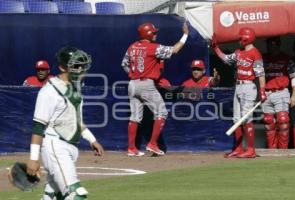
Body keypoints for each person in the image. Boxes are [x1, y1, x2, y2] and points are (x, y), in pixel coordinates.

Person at [26, 46, 104, 200]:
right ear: (62, 67)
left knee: (54, 196)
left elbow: (77, 120)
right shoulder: (49, 91)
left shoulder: (76, 87)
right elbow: (38, 126)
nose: (80, 69)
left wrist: (92, 139)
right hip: (55, 147)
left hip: (69, 147)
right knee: (76, 195)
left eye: (82, 65)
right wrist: (33, 159)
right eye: (75, 65)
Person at [121, 21, 189, 156]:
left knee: (135, 117)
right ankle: (152, 144)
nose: (156, 35)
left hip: (132, 84)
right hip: (146, 84)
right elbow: (175, 49)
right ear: (148, 33)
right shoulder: (152, 47)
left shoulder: (132, 47)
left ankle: (131, 148)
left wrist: (133, 74)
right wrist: (185, 35)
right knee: (162, 113)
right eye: (154, 32)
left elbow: (124, 64)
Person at [212, 27, 267, 158]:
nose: (239, 40)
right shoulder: (238, 52)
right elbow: (226, 59)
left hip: (249, 87)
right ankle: (238, 148)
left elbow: (261, 74)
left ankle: (251, 150)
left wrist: (262, 91)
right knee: (237, 119)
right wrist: (216, 48)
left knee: (246, 119)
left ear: (246, 38)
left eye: (241, 37)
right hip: (238, 86)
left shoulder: (255, 53)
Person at [262, 37, 295, 149]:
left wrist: (294, 95)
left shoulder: (286, 59)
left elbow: (294, 77)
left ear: (278, 45)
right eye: (269, 44)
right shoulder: (263, 59)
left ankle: (283, 151)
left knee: (283, 121)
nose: (271, 47)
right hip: (267, 93)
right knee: (268, 122)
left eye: (273, 44)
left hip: (281, 92)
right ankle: (272, 151)